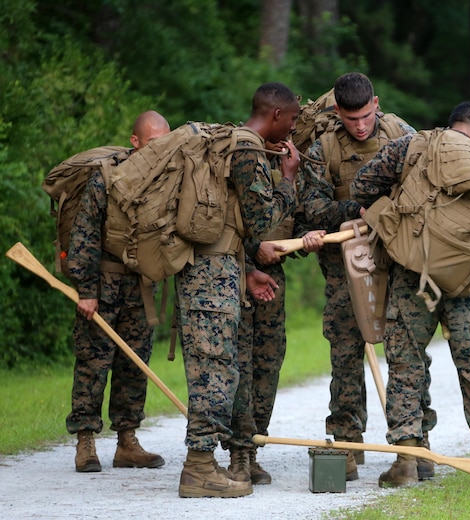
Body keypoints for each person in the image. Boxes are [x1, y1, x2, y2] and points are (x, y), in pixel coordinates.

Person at [350, 101, 470, 494]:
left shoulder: (413, 146)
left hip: (413, 274)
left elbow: (362, 186)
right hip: (467, 284)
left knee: (406, 365)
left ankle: (406, 461)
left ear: (453, 124)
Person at [300, 72, 438, 481]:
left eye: (365, 116)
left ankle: (417, 443)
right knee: (345, 349)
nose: (359, 126)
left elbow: (428, 187)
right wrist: (357, 213)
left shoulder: (402, 134)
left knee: (408, 349)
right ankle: (346, 442)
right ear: (337, 111)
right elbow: (311, 206)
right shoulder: (322, 147)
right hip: (344, 265)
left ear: (376, 103)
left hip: (399, 261)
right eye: (350, 118)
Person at [175, 82, 302, 498]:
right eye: (293, 120)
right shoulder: (247, 149)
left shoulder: (231, 142)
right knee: (213, 369)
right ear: (277, 116)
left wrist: (246, 267)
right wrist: (287, 180)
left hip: (222, 267)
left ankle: (206, 462)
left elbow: (232, 222)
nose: (293, 129)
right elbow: (261, 217)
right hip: (211, 275)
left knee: (220, 367)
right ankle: (198, 469)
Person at [67, 110, 171, 473]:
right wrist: (86, 290)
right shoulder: (105, 181)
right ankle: (85, 441)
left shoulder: (165, 181)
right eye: (155, 144)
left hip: (141, 288)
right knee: (93, 364)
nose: (161, 152)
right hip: (104, 286)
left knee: (134, 365)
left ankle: (127, 441)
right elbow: (84, 238)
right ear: (136, 141)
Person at [223, 142, 325, 487]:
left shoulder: (290, 164)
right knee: (240, 364)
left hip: (272, 282)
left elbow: (290, 223)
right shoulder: (241, 159)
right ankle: (238, 452)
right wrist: (252, 255)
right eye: (289, 121)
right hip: (236, 274)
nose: (292, 133)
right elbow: (225, 223)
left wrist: (305, 238)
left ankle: (253, 446)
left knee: (268, 362)